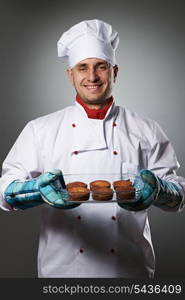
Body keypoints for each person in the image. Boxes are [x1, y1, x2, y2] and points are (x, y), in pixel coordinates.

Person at [0, 19, 184, 278]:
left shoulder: (147, 129)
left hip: (130, 273)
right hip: (61, 275)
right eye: (82, 68)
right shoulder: (40, 129)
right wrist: (34, 190)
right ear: (70, 75)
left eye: (101, 67)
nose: (92, 77)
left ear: (115, 72)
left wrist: (160, 190)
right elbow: (4, 190)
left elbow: (179, 196)